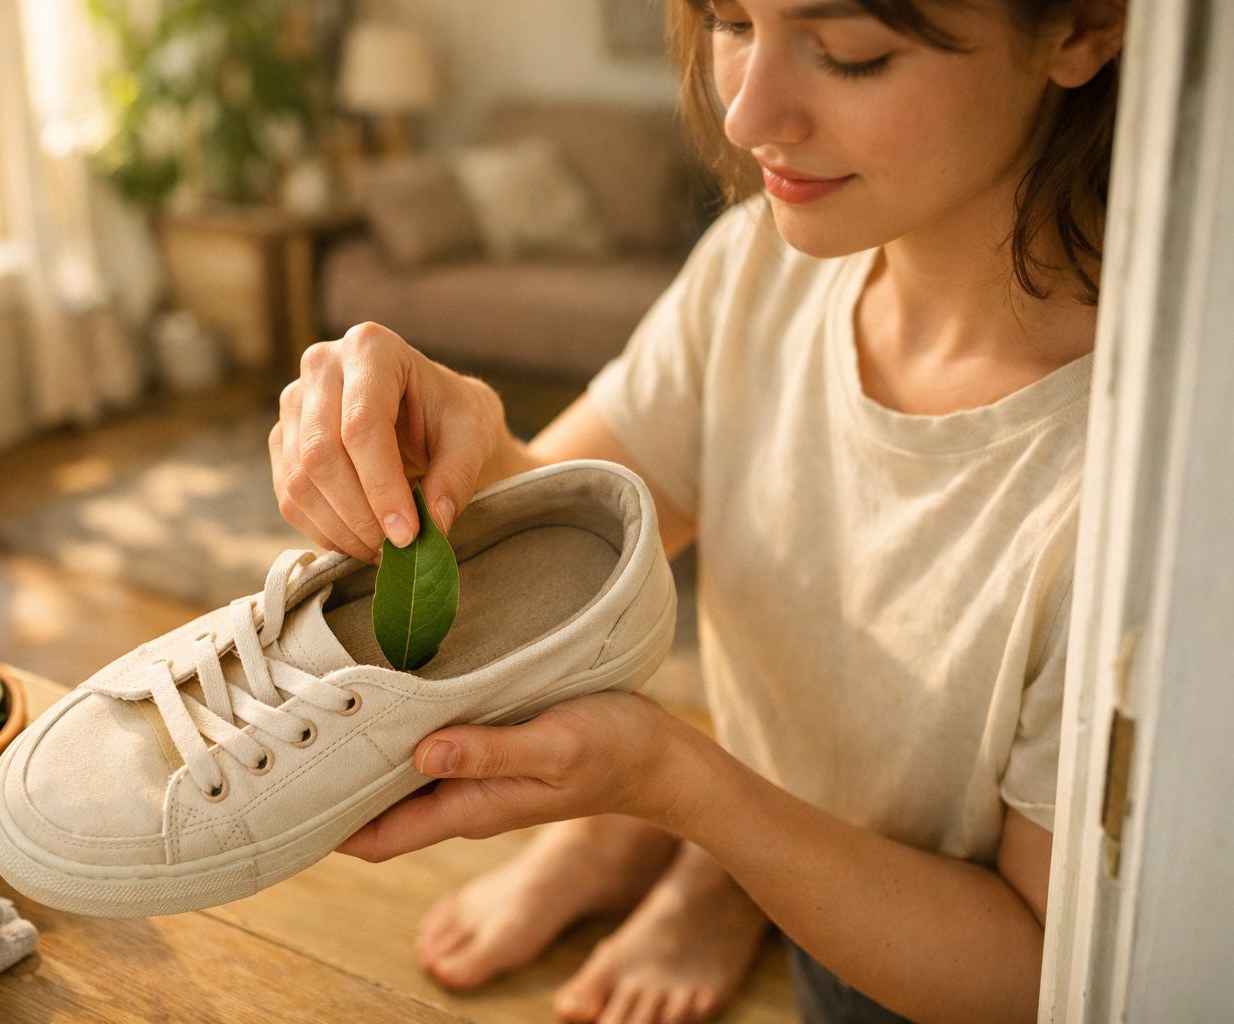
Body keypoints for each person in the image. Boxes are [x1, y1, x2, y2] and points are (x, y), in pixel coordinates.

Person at [267, 0, 1125, 1020]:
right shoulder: (757, 264)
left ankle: (699, 860)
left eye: (851, 54)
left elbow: (1045, 978)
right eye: (728, 19)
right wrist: (443, 428)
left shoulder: (1134, 487)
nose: (749, 115)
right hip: (790, 814)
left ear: (1080, 28)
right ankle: (698, 862)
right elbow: (566, 545)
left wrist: (678, 787)